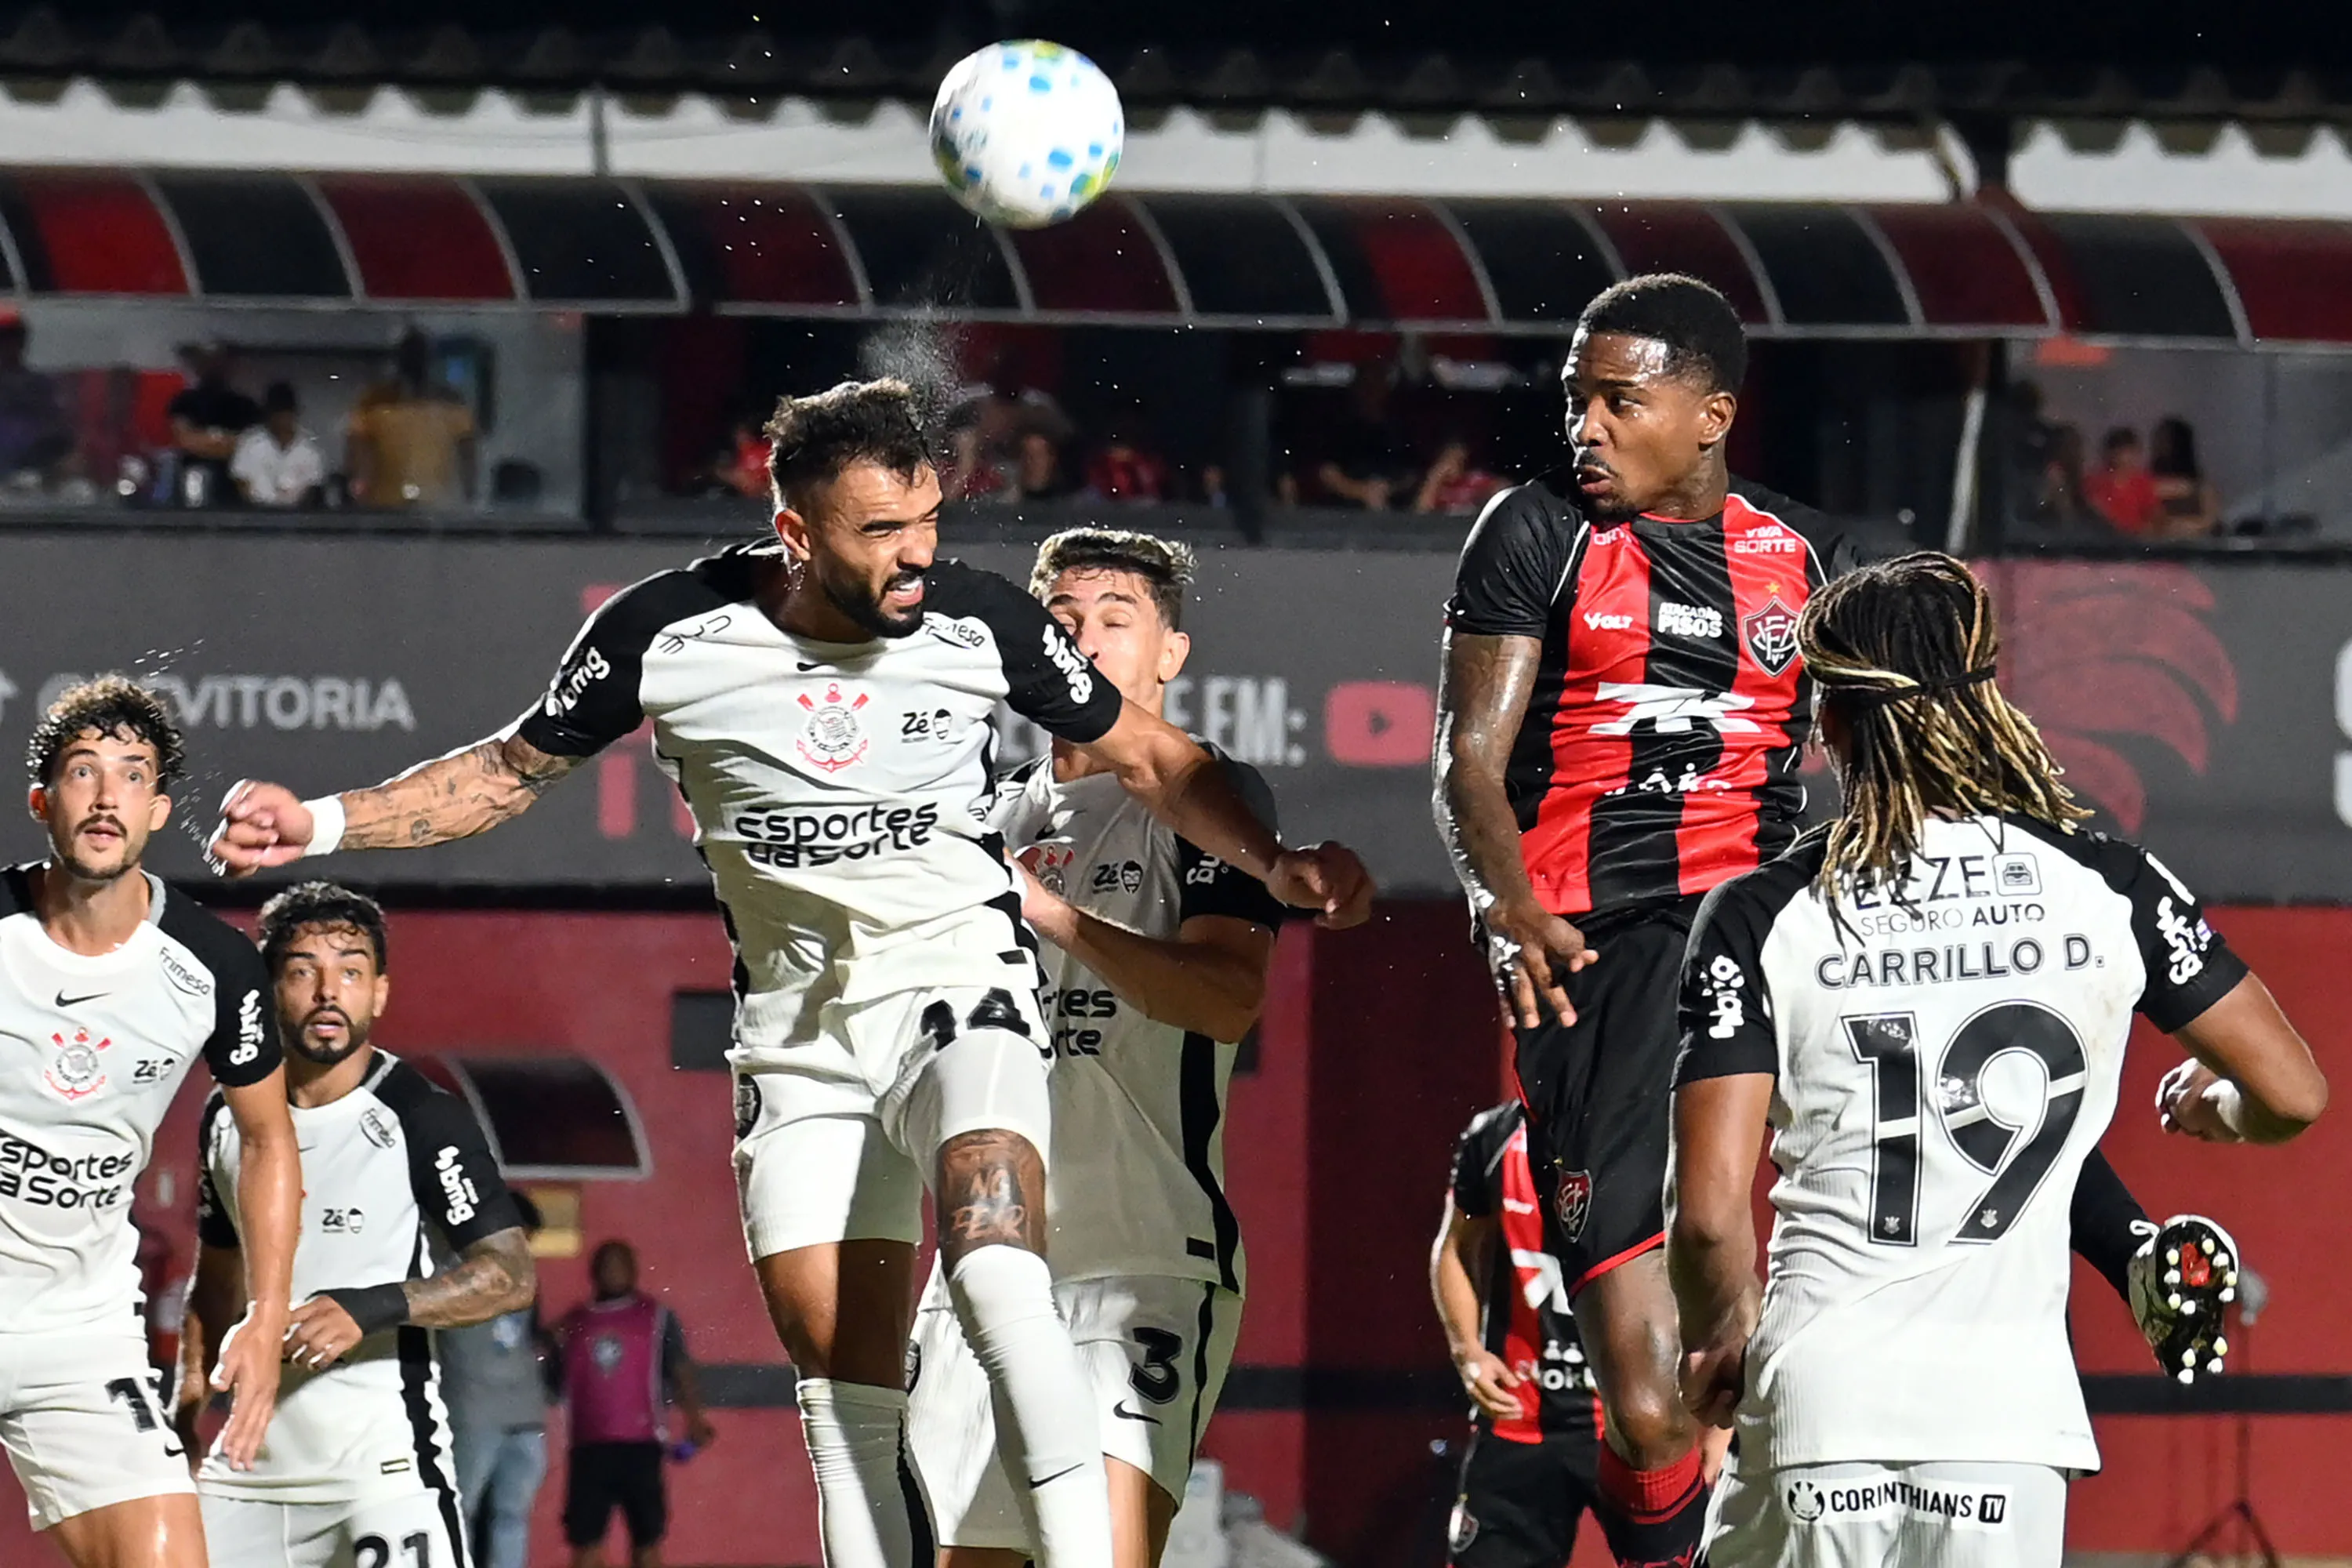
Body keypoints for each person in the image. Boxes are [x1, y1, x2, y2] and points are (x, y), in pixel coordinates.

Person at [208, 376, 1374, 1568]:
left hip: (957, 990)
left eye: (928, 525)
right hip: (800, 1035)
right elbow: (508, 772)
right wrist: (327, 822)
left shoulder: (979, 625)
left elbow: (1161, 761)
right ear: (797, 535)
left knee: (995, 1264)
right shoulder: (671, 634)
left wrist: (1273, 860)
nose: (918, 560)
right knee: (842, 1391)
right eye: (882, 536)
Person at [1432, 274, 2217, 1568]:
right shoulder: (1534, 535)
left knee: (1958, 1052)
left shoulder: (1813, 557)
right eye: (1576, 398)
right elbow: (1469, 760)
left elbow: (1931, 723)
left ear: (1710, 414)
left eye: (1618, 400)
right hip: (1604, 949)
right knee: (1643, 1411)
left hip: (1768, 916)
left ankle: (2132, 1248)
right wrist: (1500, 903)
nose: (1584, 425)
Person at [1669, 551, 2328, 1566]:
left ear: (1831, 725)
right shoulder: (2105, 883)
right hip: (2007, 1427)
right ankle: (2138, 1252)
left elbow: (1711, 1213)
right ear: (1986, 700)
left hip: (1822, 1404)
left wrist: (1716, 1338)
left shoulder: (1765, 914)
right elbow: (2293, 1092)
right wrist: (2215, 1106)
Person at [908, 529, 1283, 1568]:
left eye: (1117, 620)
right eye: (1062, 622)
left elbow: (1227, 1001)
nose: (1085, 640)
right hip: (984, 1266)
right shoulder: (980, 814)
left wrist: (1047, 912)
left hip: (1142, 1264)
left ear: (1171, 654)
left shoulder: (1214, 801)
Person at [1, 677, 296, 1568]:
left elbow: (268, 1137)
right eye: (83, 772)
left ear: (159, 809)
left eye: (131, 775)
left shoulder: (214, 963)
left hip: (77, 1329)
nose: (104, 794)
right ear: (42, 801)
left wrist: (267, 1312)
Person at [183, 880, 536, 1568]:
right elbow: (216, 1276)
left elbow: (510, 1276)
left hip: (381, 1473)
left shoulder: (420, 1116)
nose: (327, 992)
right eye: (303, 971)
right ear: (267, 986)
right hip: (247, 1471)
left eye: (350, 971)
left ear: (377, 992)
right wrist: (183, 1410)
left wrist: (371, 1307)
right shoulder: (226, 1116)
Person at [1430, 1102, 1604, 1568]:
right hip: (1518, 1415)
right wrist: (1467, 1349)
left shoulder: (1653, 1123)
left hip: (1634, 1424)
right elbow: (1456, 1247)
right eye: (1520, 1022)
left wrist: (1713, 1420)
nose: (1532, 1028)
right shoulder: (1494, 1136)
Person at [552, 1240, 714, 1568]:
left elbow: (680, 1369)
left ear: (634, 1270)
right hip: (589, 1446)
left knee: (647, 1540)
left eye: (620, 1264)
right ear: (594, 1272)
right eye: (606, 1265)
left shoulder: (656, 1316)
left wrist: (695, 1418)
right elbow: (547, 1362)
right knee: (585, 1542)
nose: (613, 1272)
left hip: (641, 1445)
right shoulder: (575, 1320)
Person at [444, 1192, 554, 1568]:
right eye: (522, 1235)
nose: (526, 1246)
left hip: (525, 1416)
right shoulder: (450, 1269)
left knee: (511, 1516)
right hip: (474, 1413)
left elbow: (527, 1338)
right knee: (462, 1511)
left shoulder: (527, 1279)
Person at [347, 328, 477, 510]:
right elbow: (358, 452)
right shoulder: (375, 401)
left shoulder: (450, 403)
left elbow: (467, 455)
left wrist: (469, 499)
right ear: (399, 360)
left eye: (419, 357)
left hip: (439, 508)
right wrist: (360, 491)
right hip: (384, 507)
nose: (414, 362)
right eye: (410, 357)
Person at [167, 343, 260, 508]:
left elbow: (247, 446)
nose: (212, 366)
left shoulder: (246, 405)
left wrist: (205, 441)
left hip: (234, 491)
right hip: (190, 488)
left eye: (217, 360)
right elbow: (185, 440)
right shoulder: (183, 402)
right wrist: (223, 442)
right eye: (205, 360)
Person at [230, 382, 328, 509]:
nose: (281, 420)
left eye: (285, 414)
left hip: (298, 517)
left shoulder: (311, 449)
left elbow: (313, 490)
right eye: (277, 414)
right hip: (256, 515)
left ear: (294, 414)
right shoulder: (249, 443)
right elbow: (241, 483)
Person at [0, 313, 71, 482]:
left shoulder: (39, 386)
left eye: (10, 339)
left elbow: (58, 434)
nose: (5, 347)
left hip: (29, 479)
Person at [2149, 416, 2220, 539]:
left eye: (2165, 441)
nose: (2160, 447)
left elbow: (2211, 518)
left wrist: (2190, 525)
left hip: (2192, 545)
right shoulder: (2147, 481)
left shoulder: (2200, 486)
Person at [2082, 426, 2159, 535]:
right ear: (2110, 453)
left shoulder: (2141, 481)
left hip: (2137, 540)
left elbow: (2154, 514)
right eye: (2125, 453)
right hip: (2107, 539)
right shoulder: (2094, 482)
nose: (2131, 458)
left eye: (2134, 453)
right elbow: (2097, 517)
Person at [1414, 437, 1507, 515]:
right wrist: (1435, 478)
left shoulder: (1475, 480)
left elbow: (1502, 488)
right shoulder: (1436, 485)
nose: (1454, 465)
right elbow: (1422, 511)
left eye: (1459, 461)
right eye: (1451, 459)